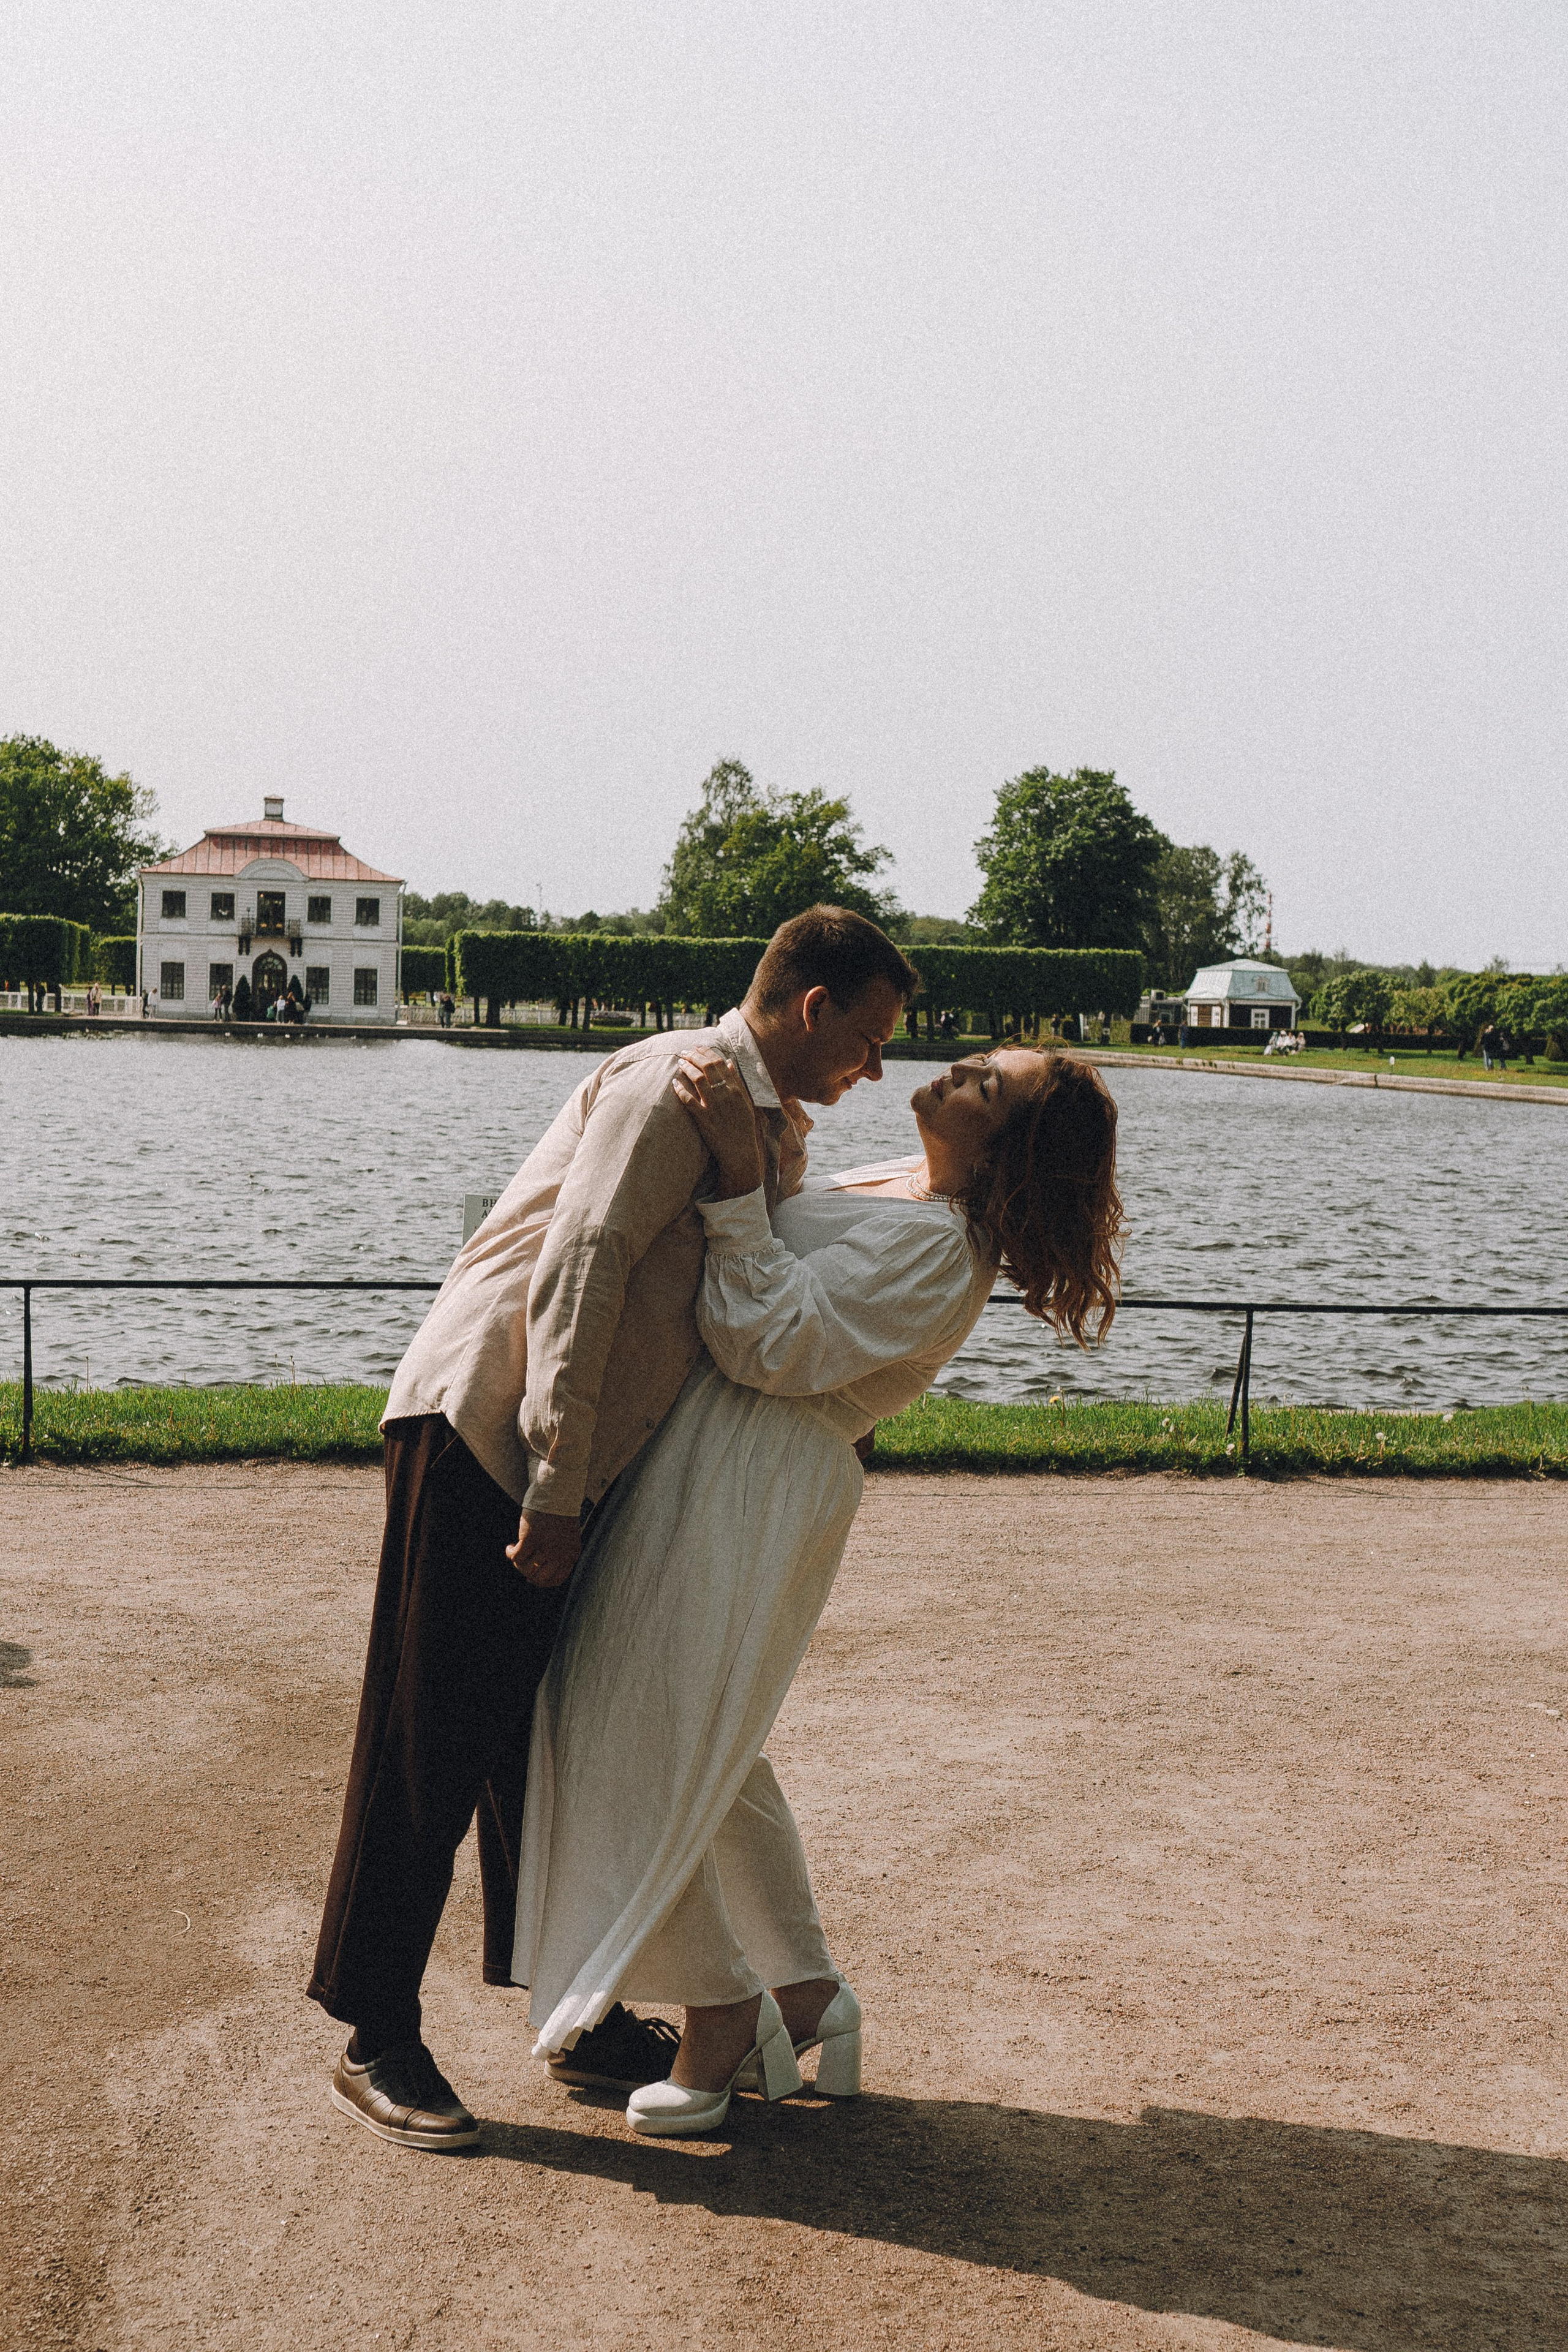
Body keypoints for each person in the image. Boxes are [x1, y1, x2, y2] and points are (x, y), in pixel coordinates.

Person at [309, 907, 917, 2150]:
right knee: (429, 1739)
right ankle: (375, 2033)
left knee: (539, 1733)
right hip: (491, 1426)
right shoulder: (668, 1085)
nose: (875, 1068)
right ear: (812, 1008)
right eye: (868, 1038)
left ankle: (576, 2011)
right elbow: (578, 1268)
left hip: (554, 1448)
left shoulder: (751, 1119)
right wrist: (553, 1478)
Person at [514, 1045, 1122, 2135]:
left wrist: (744, 1187)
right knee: (712, 1739)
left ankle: (722, 2010)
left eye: (988, 1086)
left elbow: (773, 1343)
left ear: (1013, 1149)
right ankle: (809, 1997)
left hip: (760, 1472)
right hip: (708, 1455)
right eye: (978, 1062)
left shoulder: (949, 1250)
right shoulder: (893, 1177)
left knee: (638, 1723)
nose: (958, 1074)